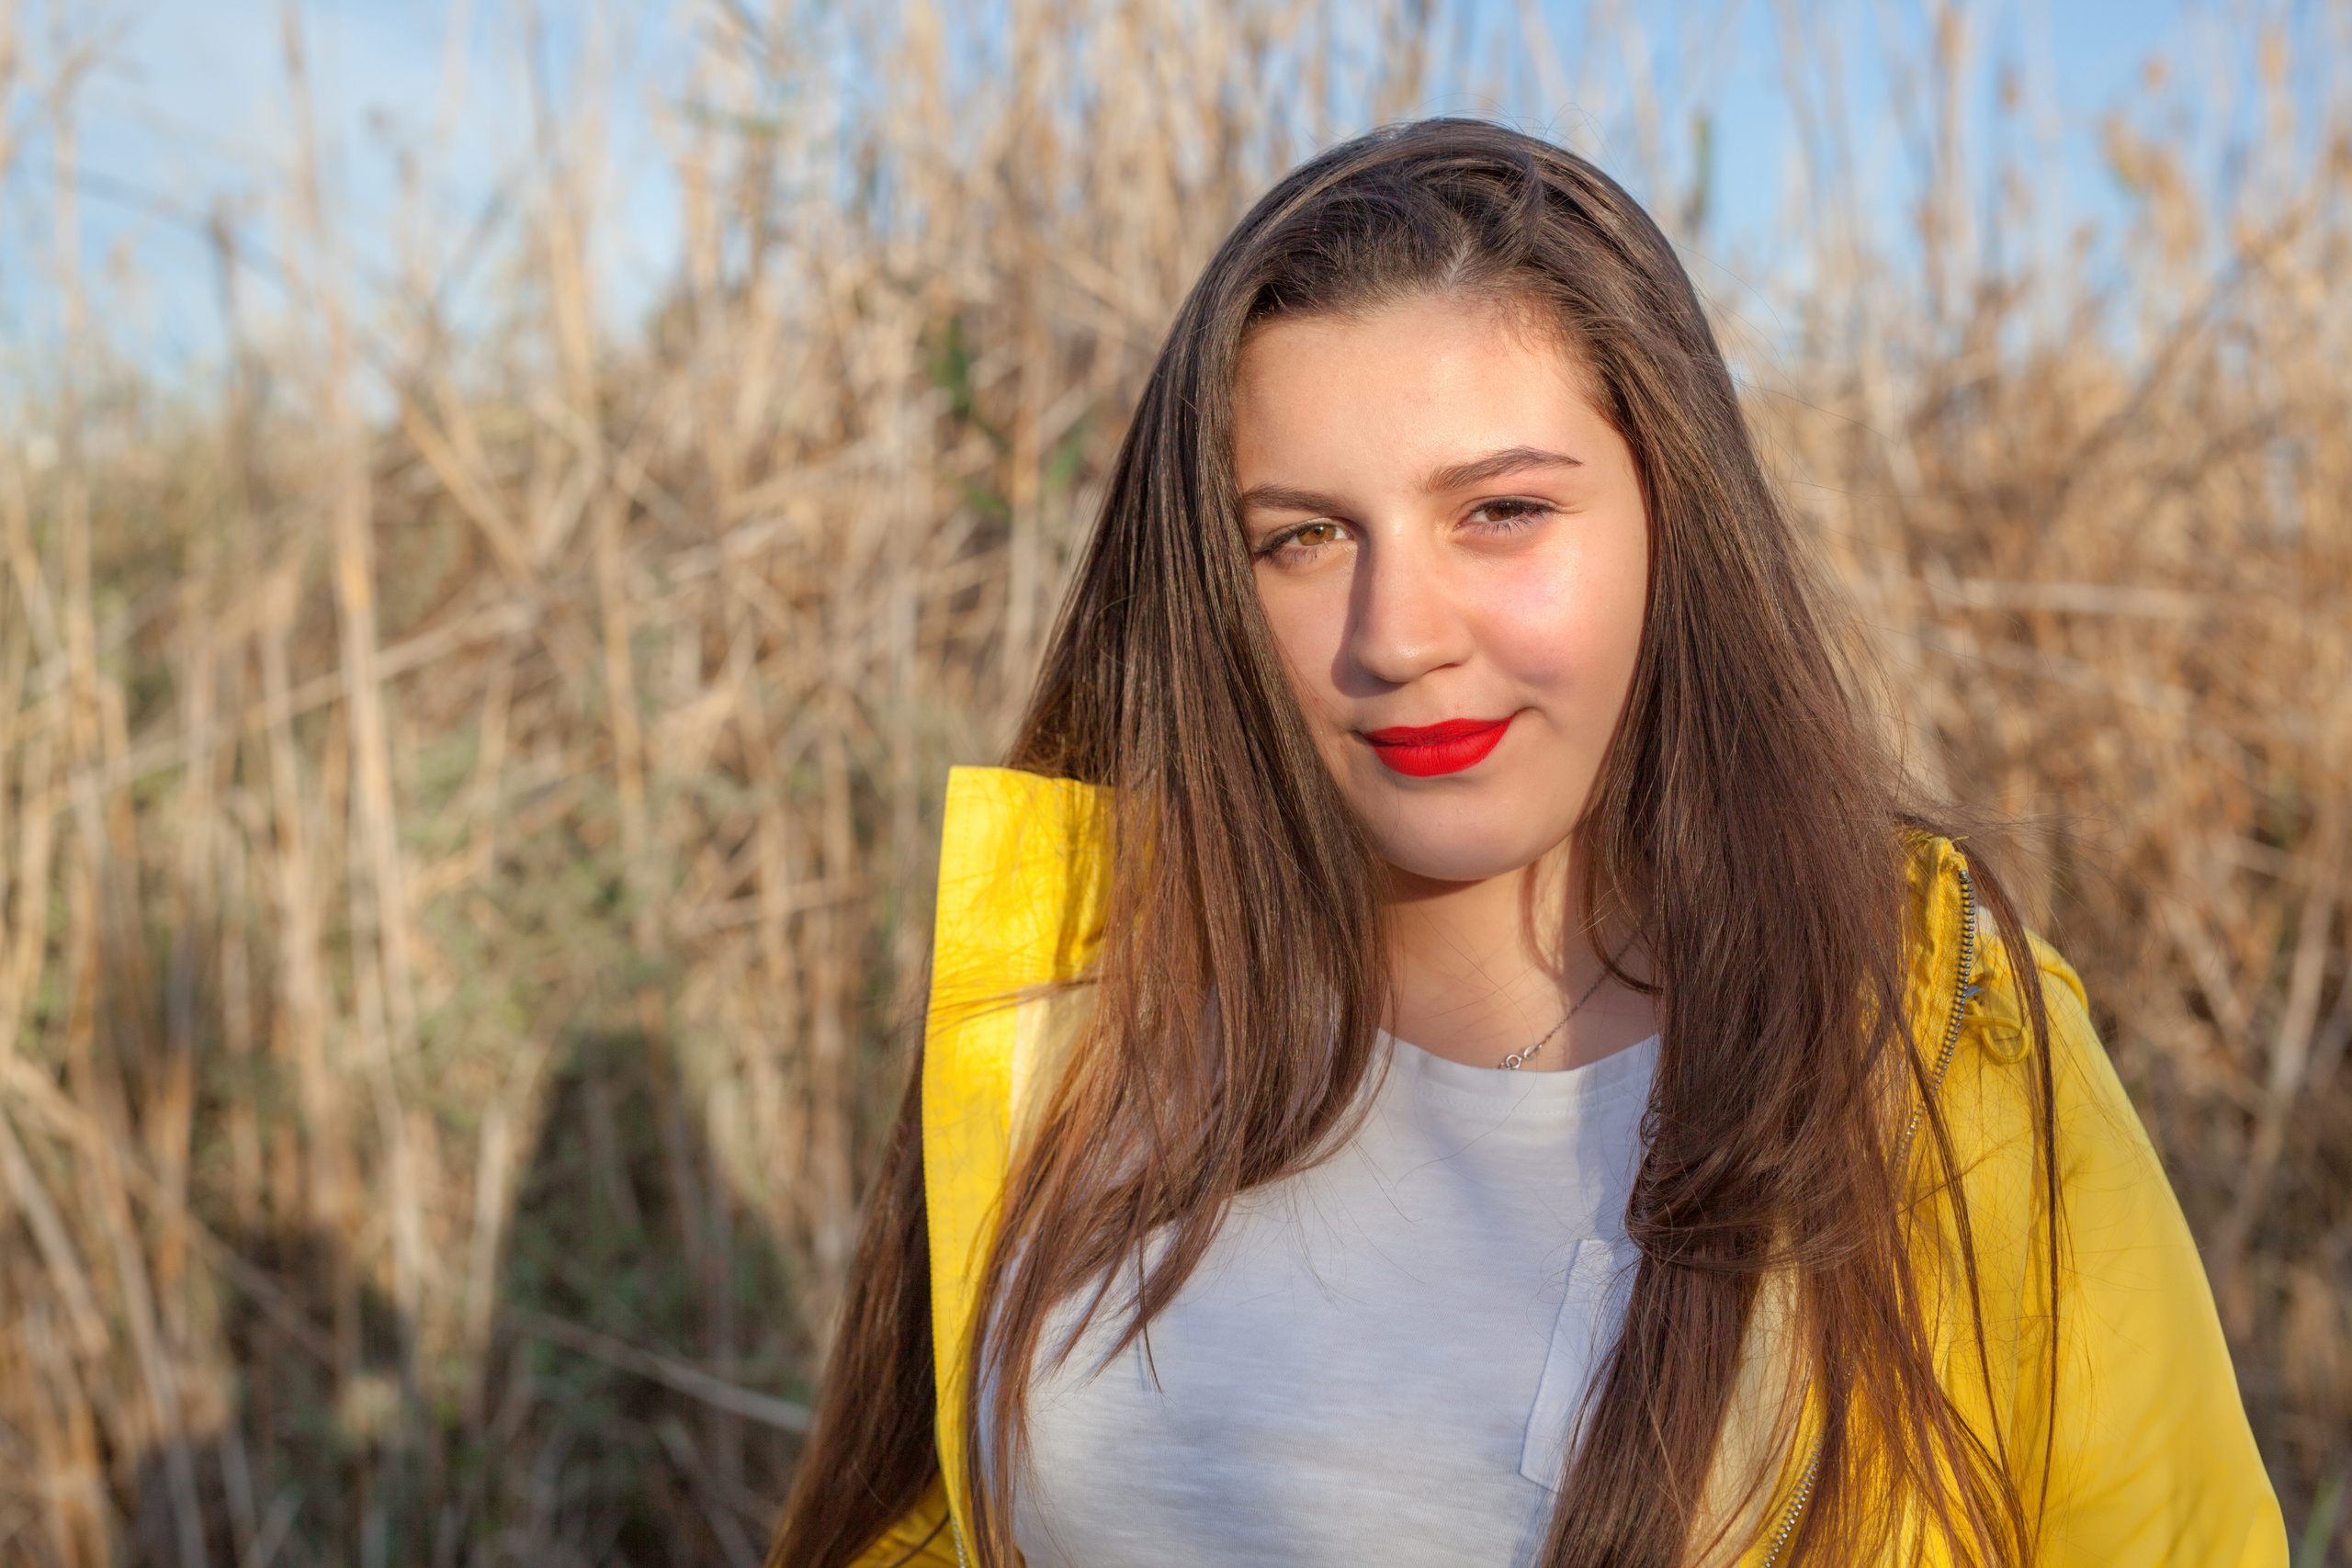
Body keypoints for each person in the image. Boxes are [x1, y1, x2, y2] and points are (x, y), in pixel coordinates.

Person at [769, 119, 2284, 1568]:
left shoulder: (1935, 1037)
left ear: (1670, 519)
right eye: (1303, 537)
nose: (1398, 636)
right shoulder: (1076, 993)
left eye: (1499, 511)